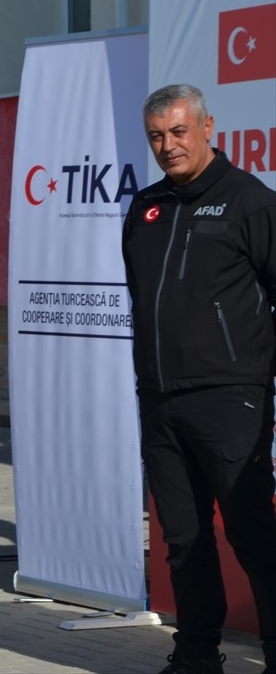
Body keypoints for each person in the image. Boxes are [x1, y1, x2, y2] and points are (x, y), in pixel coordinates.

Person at [122, 84, 275, 674]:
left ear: (209, 127)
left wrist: (256, 378)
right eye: (157, 136)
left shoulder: (250, 202)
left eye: (179, 132)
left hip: (230, 397)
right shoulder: (146, 207)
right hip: (161, 399)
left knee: (251, 532)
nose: (169, 146)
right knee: (182, 540)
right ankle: (195, 655)